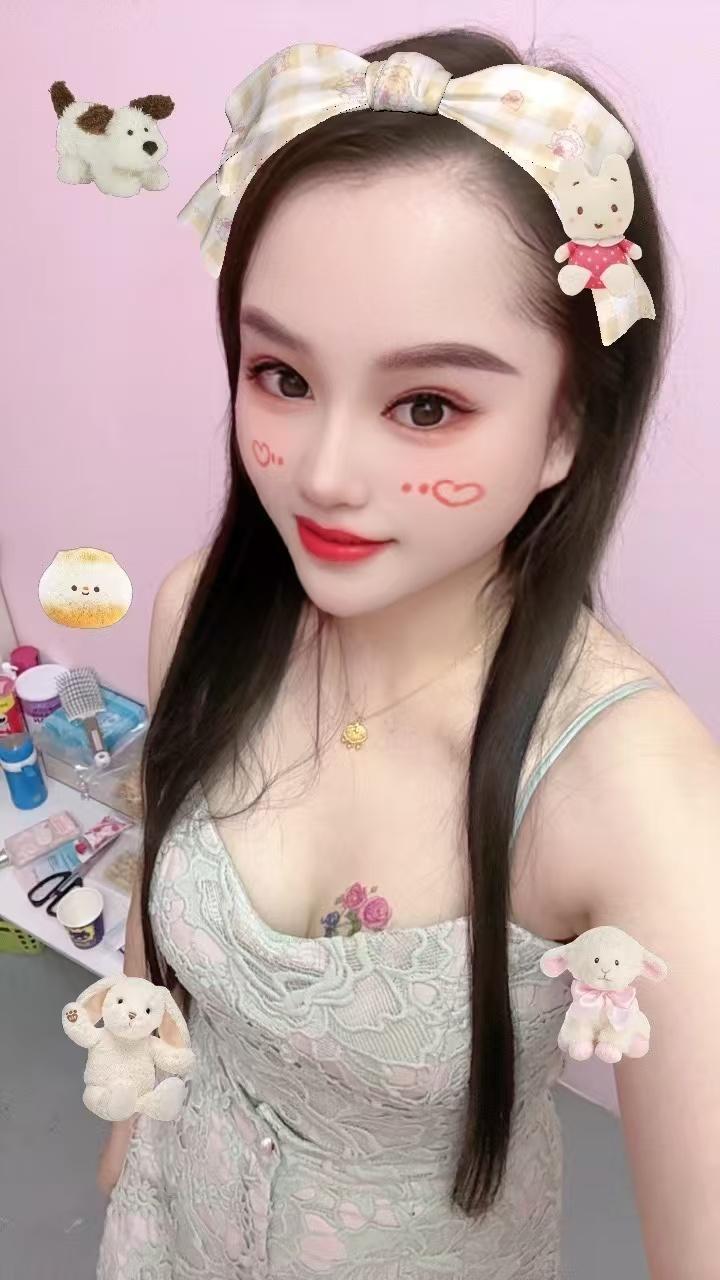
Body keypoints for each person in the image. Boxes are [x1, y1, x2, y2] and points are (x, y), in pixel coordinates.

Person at [95, 26, 720, 1280]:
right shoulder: (198, 614)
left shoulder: (630, 788)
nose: (325, 473)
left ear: (568, 425)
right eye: (281, 374)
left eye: (426, 404)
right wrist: (126, 1132)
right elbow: (156, 940)